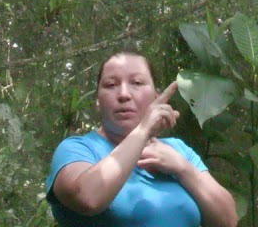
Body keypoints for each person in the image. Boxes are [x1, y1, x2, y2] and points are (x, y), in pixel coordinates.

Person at [45, 52, 239, 227]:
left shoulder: (178, 150)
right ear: (98, 101)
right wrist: (143, 131)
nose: (123, 94)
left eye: (137, 83)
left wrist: (183, 168)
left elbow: (228, 221)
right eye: (111, 85)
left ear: (156, 95)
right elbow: (87, 199)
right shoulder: (78, 149)